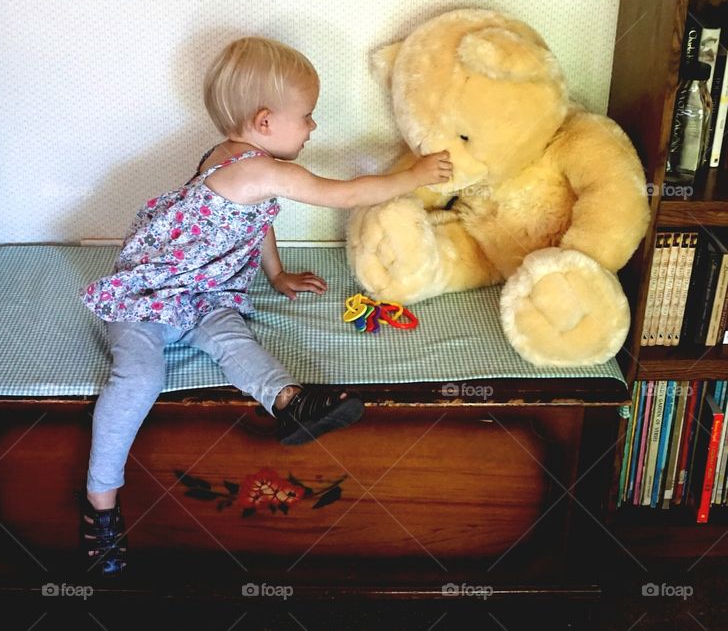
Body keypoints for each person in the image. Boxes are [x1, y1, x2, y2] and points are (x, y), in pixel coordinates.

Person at [77, 36, 453, 575]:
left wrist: (275, 274)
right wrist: (413, 176)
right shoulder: (256, 170)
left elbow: (257, 219)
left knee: (234, 342)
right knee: (138, 379)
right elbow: (344, 193)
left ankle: (289, 402)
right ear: (264, 120)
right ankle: (100, 506)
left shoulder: (240, 160)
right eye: (307, 116)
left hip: (205, 292)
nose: (313, 127)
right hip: (151, 294)